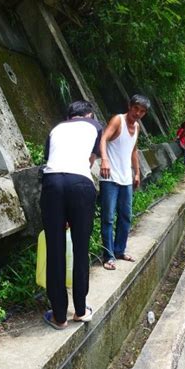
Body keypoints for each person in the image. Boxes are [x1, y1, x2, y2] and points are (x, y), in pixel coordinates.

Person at [40, 100, 102, 329]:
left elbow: (50, 160)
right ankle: (81, 310)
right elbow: (90, 159)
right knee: (80, 247)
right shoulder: (94, 125)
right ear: (89, 114)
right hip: (81, 184)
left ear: (69, 116)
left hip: (53, 182)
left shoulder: (56, 129)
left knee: (55, 249)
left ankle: (58, 316)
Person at [99, 94, 151, 270]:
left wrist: (137, 173)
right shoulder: (117, 120)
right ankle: (108, 256)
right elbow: (103, 138)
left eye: (142, 111)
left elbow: (133, 150)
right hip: (110, 178)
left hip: (126, 178)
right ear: (130, 106)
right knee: (108, 218)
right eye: (136, 108)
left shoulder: (136, 127)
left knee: (126, 216)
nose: (138, 113)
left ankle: (120, 250)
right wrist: (104, 159)